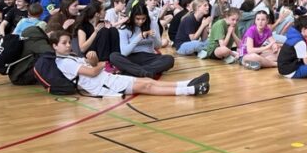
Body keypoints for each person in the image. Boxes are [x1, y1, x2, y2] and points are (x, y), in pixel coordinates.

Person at [51, 31, 209, 98]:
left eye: (68, 42)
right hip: (102, 85)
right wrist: (100, 65)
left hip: (105, 78)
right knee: (146, 87)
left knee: (148, 81)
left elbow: (91, 65)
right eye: (63, 43)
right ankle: (189, 90)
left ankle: (187, 83)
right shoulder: (64, 63)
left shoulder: (71, 57)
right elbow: (92, 72)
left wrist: (93, 60)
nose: (68, 45)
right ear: (54, 46)